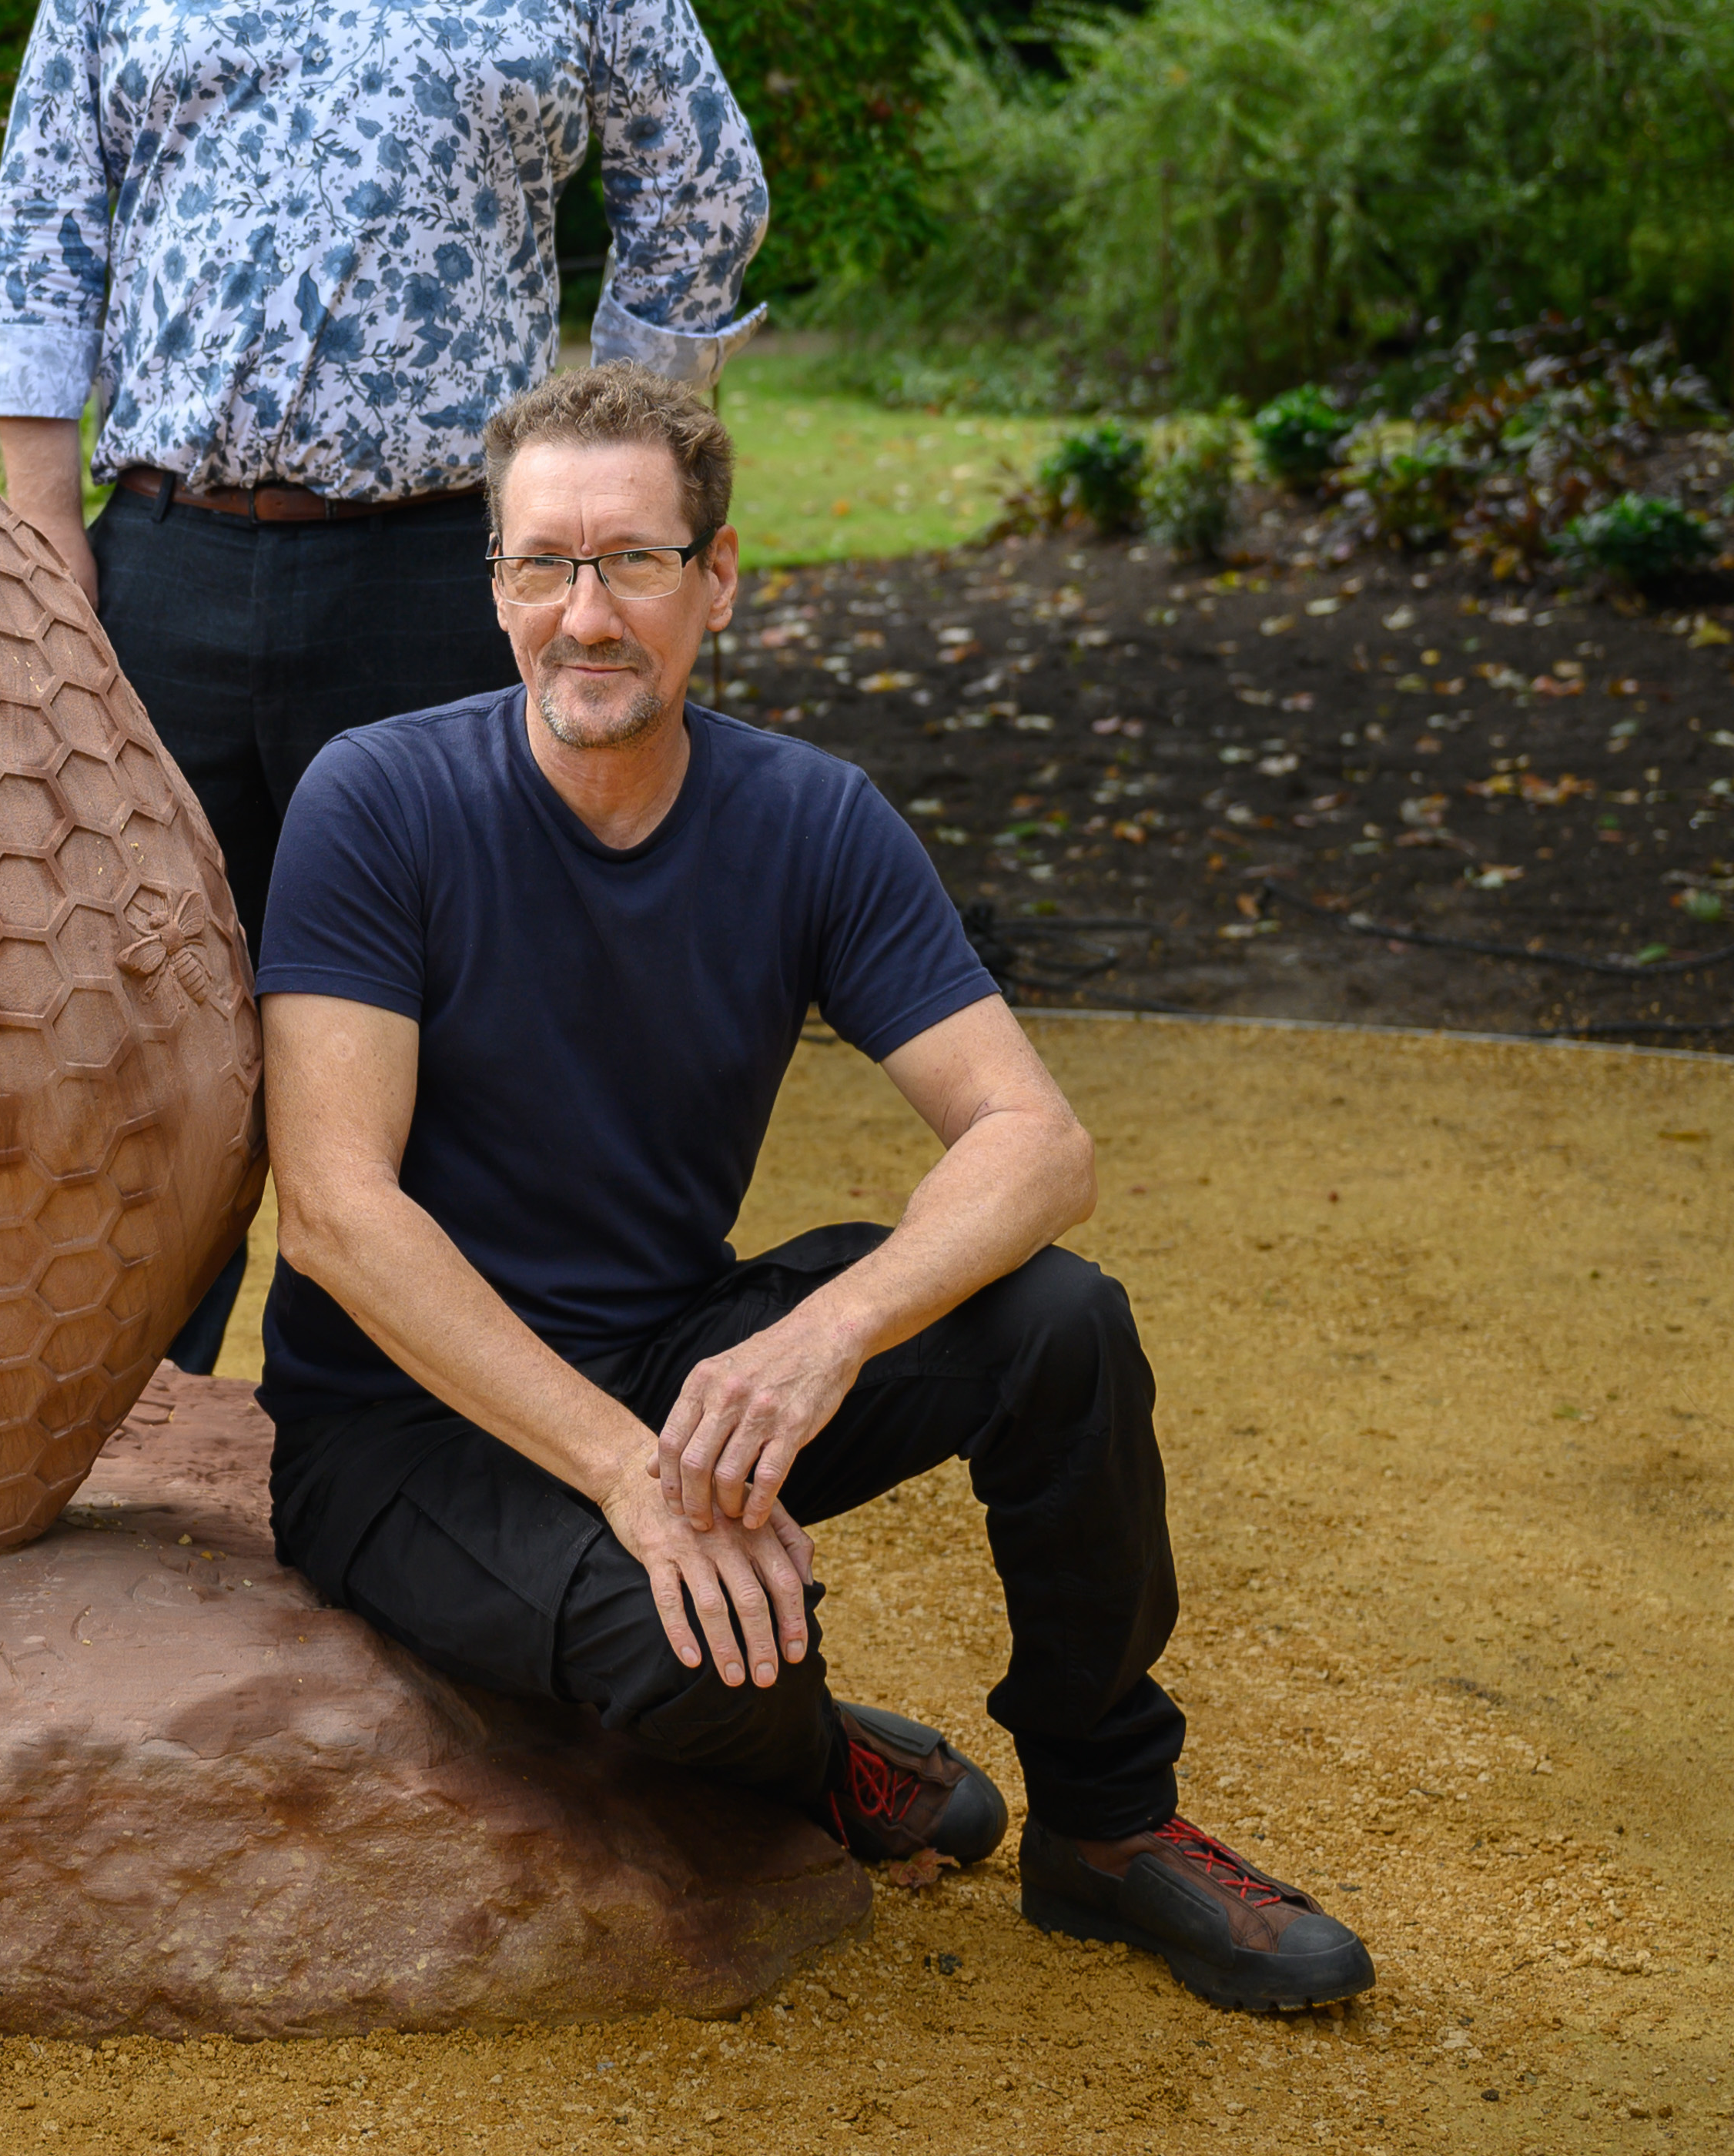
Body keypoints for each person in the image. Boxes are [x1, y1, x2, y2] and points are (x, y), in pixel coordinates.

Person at [251, 366, 1374, 2017]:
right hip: (408, 1431)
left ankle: (1108, 1825)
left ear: (716, 578)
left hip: (673, 1352)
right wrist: (630, 1475)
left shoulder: (808, 819)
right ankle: (818, 1754)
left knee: (1059, 1323)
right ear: (490, 584)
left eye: (630, 561)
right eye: (539, 564)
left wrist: (825, 1334)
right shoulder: (379, 798)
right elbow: (341, 1209)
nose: (583, 615)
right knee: (692, 1642)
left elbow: (1035, 1140)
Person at [0, 0, 772, 1371]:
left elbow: (704, 186)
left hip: (444, 588)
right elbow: (38, 235)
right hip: (154, 575)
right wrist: (40, 559)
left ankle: (434, 1501)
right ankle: (138, 1468)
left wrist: (603, 495)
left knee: (461, 1043)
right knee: (137, 1040)